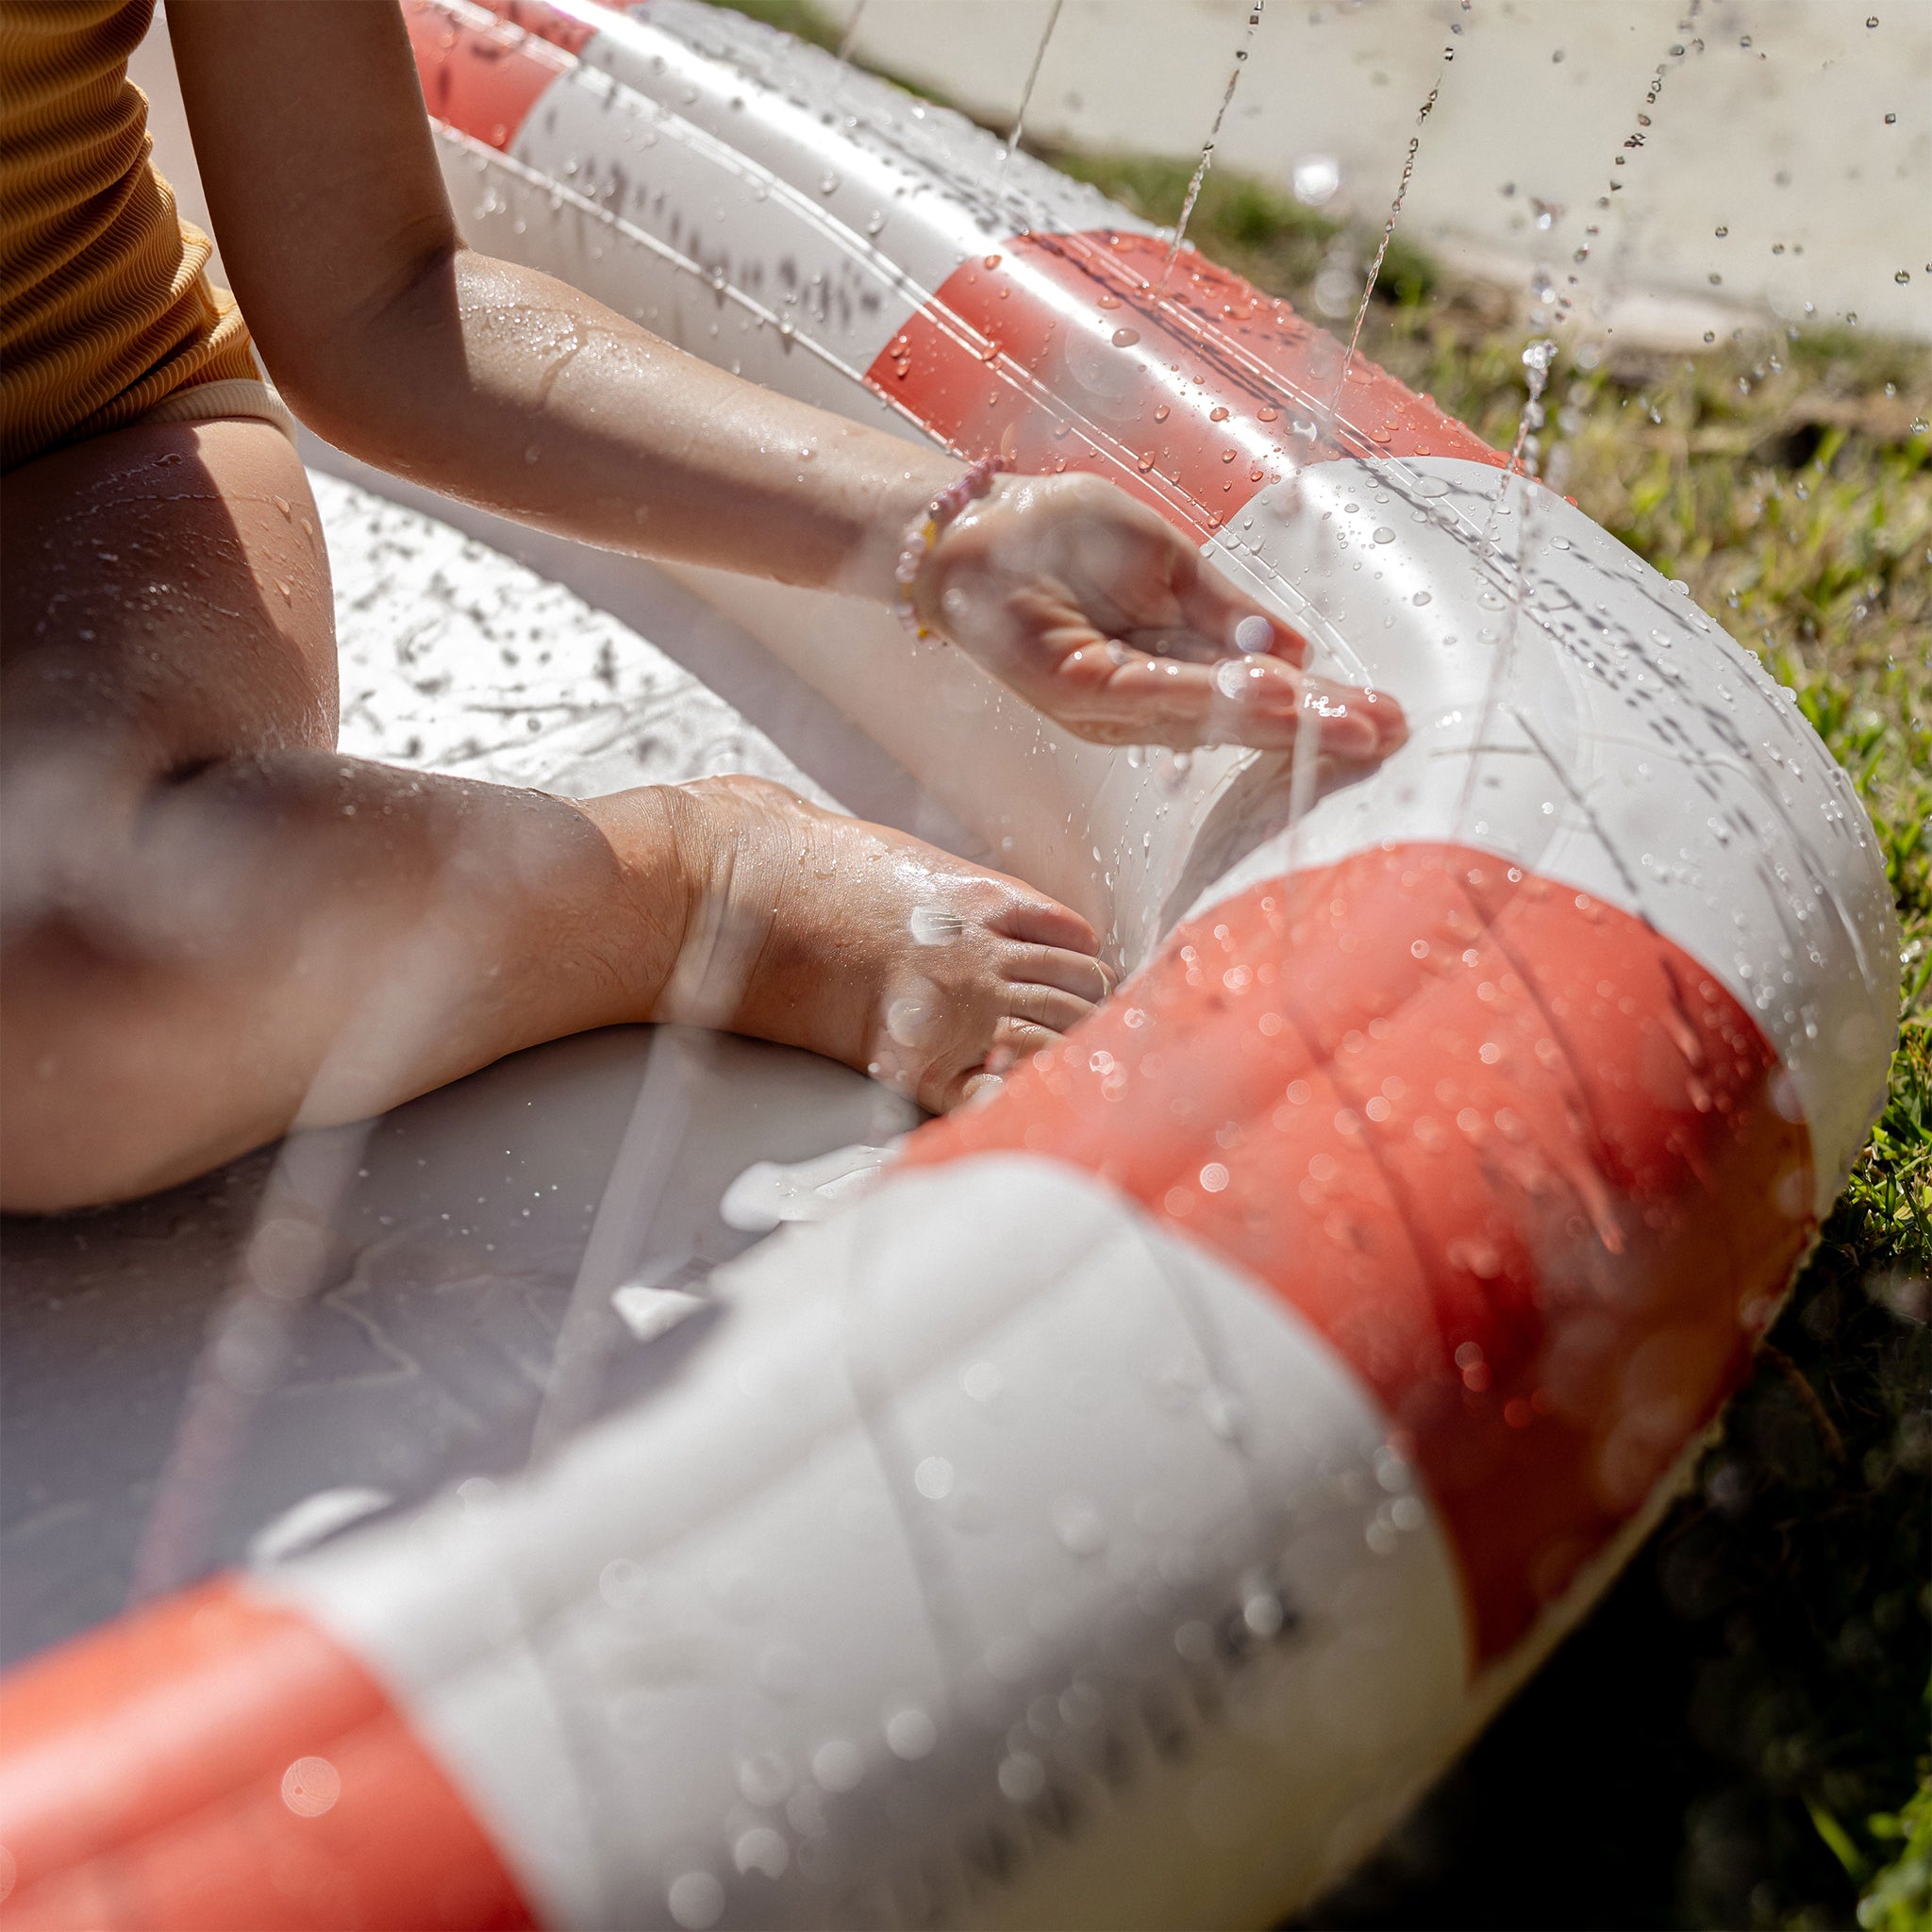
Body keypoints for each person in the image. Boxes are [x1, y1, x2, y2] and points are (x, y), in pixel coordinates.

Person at [0, 0, 1404, 1215]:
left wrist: (935, 530)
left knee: (59, 994)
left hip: (65, 465)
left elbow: (384, 302)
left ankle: (681, 889)